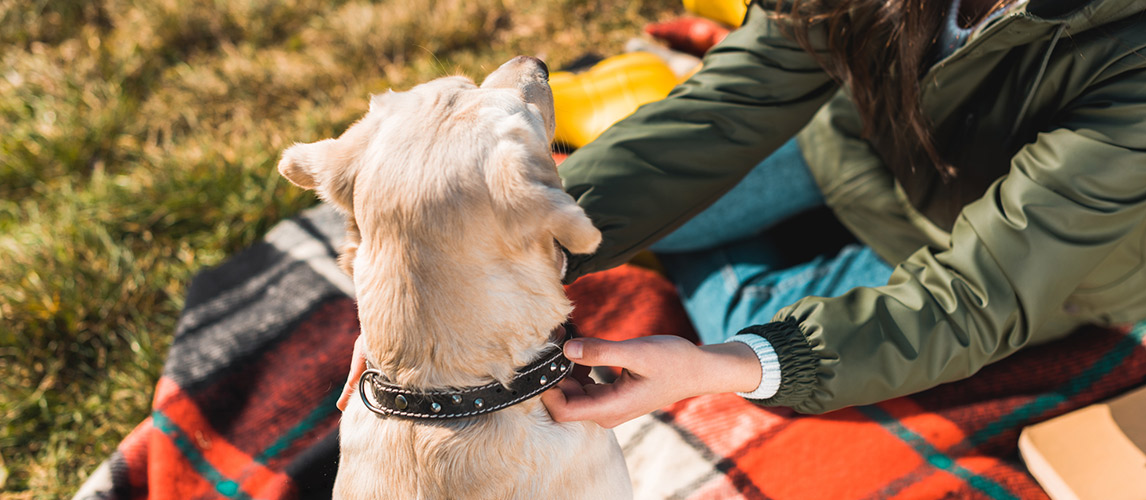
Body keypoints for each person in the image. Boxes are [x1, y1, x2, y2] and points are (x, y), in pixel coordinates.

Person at [536, 0, 1146, 428]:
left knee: (745, 339)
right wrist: (533, 240)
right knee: (596, 209)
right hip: (859, 139)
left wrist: (730, 363)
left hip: (1021, 257)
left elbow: (981, 292)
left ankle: (709, 251)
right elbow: (735, 101)